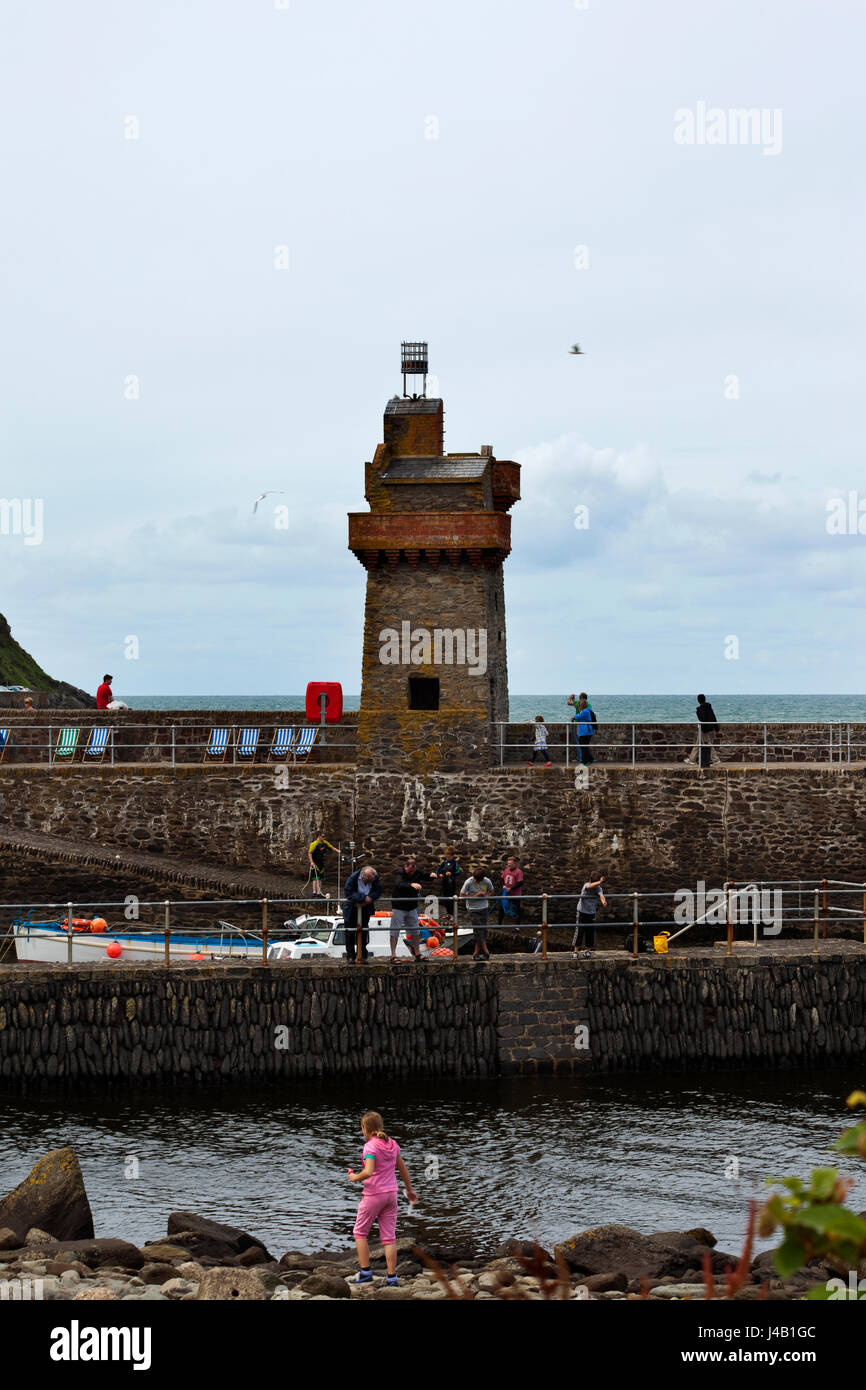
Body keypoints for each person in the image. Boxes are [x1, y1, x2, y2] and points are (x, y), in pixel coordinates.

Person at [348, 1111, 417, 1286]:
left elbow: (369, 1171)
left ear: (365, 1128)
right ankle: (392, 1277)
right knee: (389, 1238)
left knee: (359, 1232)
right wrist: (409, 1190)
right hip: (391, 1195)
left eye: (362, 1128)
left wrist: (354, 1177)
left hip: (373, 1195)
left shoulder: (370, 1147)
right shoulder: (393, 1144)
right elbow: (403, 1169)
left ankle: (365, 1272)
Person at [342, 865, 381, 963]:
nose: (371, 882)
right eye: (369, 881)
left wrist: (370, 898)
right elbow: (348, 892)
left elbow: (378, 890)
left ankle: (362, 955)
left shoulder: (374, 877)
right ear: (364, 878)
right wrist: (363, 898)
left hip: (365, 908)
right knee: (350, 932)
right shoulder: (353, 878)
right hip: (351, 908)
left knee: (364, 931)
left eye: (372, 880)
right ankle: (350, 956)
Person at [389, 857, 425, 963]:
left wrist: (432, 875)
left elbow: (424, 875)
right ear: (405, 867)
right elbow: (399, 884)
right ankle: (393, 955)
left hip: (412, 907)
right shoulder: (400, 873)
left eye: (413, 870)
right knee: (395, 930)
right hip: (399, 907)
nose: (412, 872)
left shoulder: (416, 872)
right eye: (410, 870)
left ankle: (417, 954)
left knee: (415, 930)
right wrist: (411, 884)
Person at [460, 868, 495, 961]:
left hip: (483, 907)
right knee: (478, 929)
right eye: (474, 878)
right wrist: (476, 896)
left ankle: (476, 953)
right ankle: (486, 951)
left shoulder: (487, 881)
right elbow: (461, 895)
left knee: (482, 929)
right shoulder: (468, 882)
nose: (474, 880)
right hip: (473, 908)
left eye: (476, 879)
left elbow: (491, 890)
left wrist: (486, 896)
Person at [572, 872, 607, 955]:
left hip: (591, 913)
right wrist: (600, 882)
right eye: (597, 883)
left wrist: (603, 901)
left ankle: (587, 951)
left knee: (590, 932)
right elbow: (589, 887)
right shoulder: (586, 885)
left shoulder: (598, 888)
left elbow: (601, 895)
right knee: (579, 931)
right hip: (582, 912)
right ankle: (575, 951)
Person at [685, 694, 721, 768]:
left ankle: (715, 759)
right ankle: (692, 760)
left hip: (703, 729)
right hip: (705, 728)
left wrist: (697, 711)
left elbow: (702, 719)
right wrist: (716, 728)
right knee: (698, 744)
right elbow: (713, 717)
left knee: (707, 744)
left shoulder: (701, 708)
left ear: (698, 700)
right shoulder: (709, 707)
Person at [430, 846, 461, 923]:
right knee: (446, 899)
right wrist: (439, 874)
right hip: (445, 883)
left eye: (449, 855)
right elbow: (438, 870)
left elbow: (458, 872)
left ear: (452, 855)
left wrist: (451, 873)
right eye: (446, 855)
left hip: (451, 884)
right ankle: (448, 914)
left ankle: (452, 915)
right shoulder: (444, 862)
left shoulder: (455, 863)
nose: (447, 857)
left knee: (451, 900)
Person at [308, 832, 338, 898]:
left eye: (324, 836)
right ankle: (314, 892)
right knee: (315, 878)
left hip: (321, 862)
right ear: (319, 836)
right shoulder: (314, 844)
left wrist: (338, 851)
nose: (324, 838)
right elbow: (310, 853)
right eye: (323, 836)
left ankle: (319, 892)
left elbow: (331, 847)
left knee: (320, 878)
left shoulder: (325, 843)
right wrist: (311, 862)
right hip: (315, 862)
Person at [497, 856, 525, 927]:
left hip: (515, 895)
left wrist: (511, 888)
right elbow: (501, 879)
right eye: (508, 864)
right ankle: (499, 925)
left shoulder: (519, 872)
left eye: (510, 864)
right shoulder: (506, 870)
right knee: (501, 909)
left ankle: (517, 927)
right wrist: (503, 885)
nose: (509, 865)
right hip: (506, 894)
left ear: (515, 864)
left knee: (517, 910)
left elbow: (520, 883)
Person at [574, 694, 598, 766]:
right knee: (584, 746)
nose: (578, 707)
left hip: (585, 731)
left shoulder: (585, 711)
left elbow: (578, 716)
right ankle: (590, 759)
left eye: (579, 706)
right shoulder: (588, 710)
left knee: (583, 746)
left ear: (581, 706)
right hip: (587, 731)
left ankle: (585, 762)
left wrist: (574, 716)